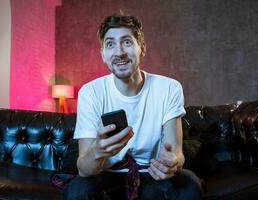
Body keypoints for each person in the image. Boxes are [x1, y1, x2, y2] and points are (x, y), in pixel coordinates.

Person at [63, 12, 202, 200]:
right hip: (106, 173)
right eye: (110, 44)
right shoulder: (90, 93)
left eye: (127, 42)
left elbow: (176, 152)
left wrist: (173, 162)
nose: (119, 52)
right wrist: (98, 151)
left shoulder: (169, 88)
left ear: (142, 49)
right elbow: (84, 169)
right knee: (77, 190)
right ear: (103, 54)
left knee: (190, 186)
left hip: (151, 172)